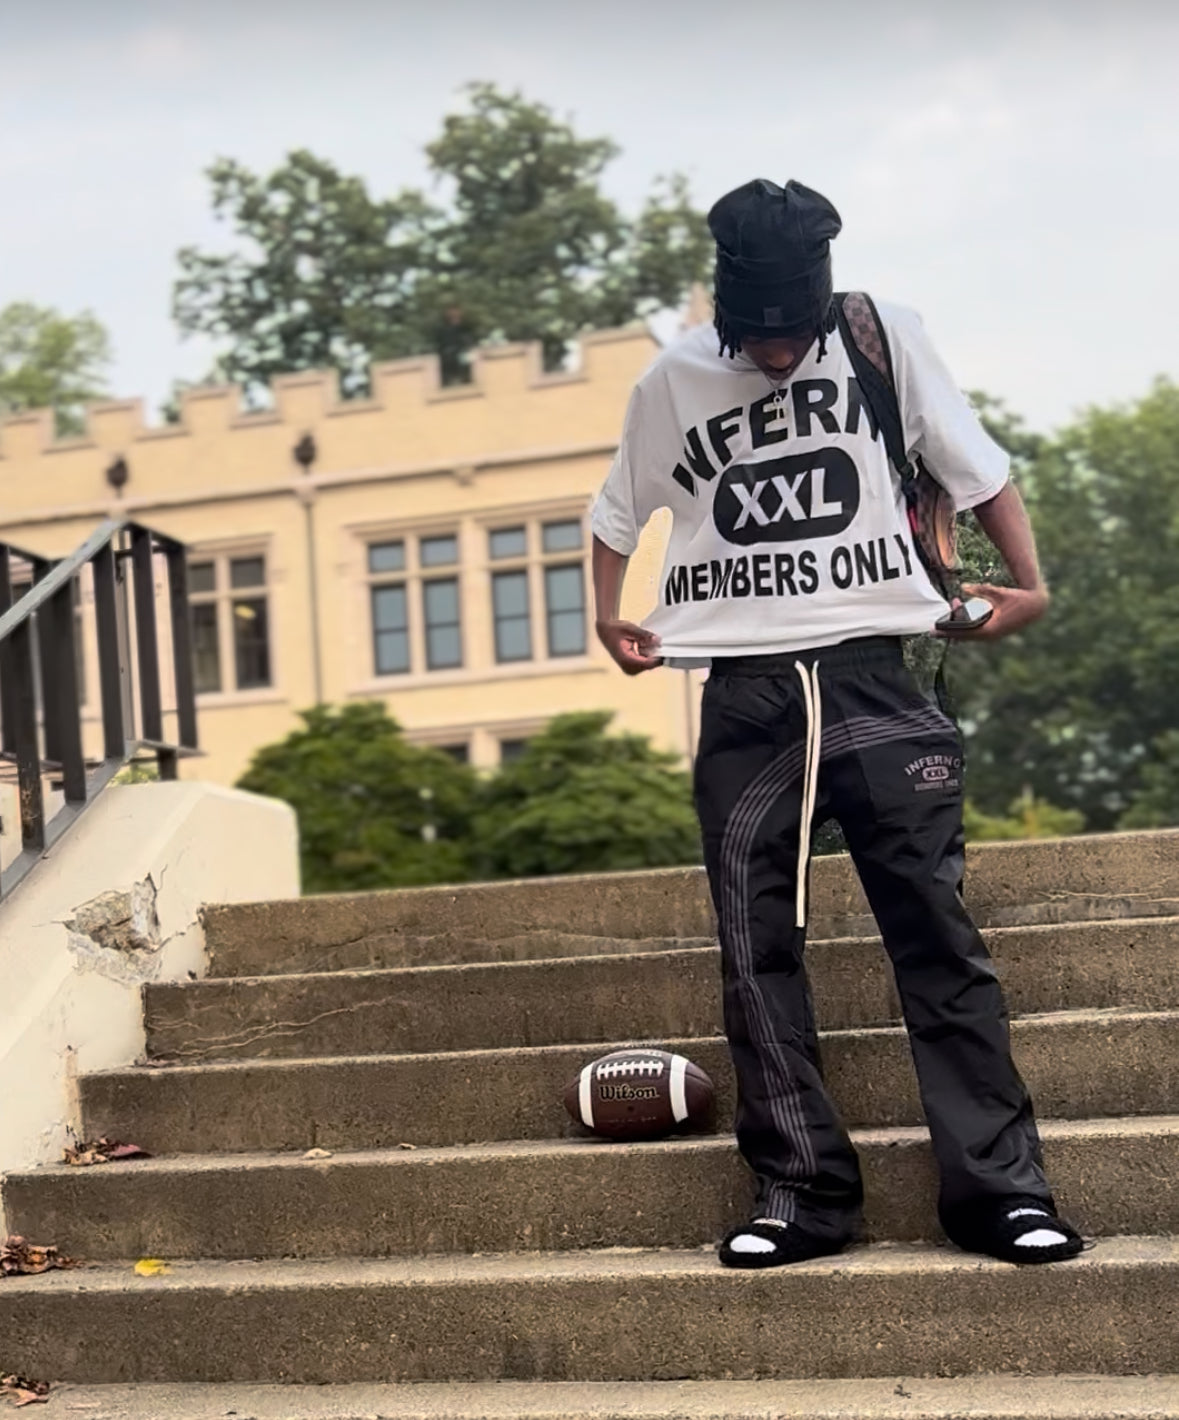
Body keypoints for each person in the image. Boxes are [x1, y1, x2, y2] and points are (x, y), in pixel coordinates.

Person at [590, 177, 1084, 1270]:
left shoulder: (880, 336)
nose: (775, 355)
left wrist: (1029, 581)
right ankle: (801, 1192)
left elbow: (977, 466)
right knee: (755, 946)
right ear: (727, 310)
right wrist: (606, 613)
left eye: (791, 333)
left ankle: (1000, 1192)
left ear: (820, 304)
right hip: (748, 693)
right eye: (756, 335)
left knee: (935, 932)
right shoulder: (670, 380)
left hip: (877, 680)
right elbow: (617, 513)